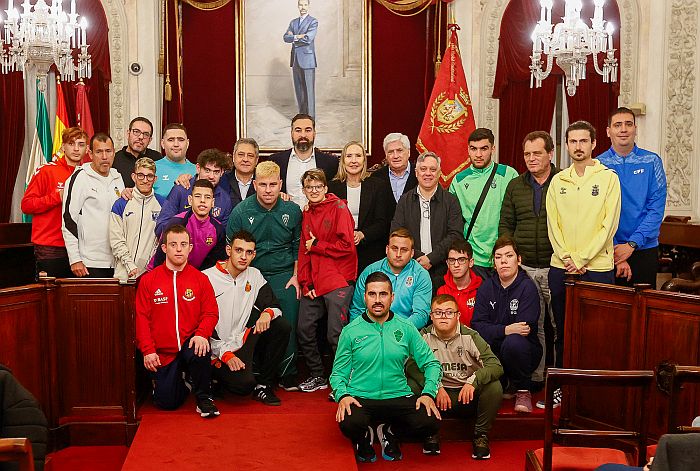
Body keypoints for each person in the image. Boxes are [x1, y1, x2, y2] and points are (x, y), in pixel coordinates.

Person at [330, 271, 442, 463]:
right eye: (372, 294)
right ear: (365, 297)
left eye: (383, 294)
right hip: (361, 396)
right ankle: (363, 437)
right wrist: (343, 395)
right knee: (348, 422)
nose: (377, 300)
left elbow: (432, 363)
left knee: (430, 421)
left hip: (397, 394)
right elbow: (338, 373)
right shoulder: (350, 331)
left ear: (392, 297)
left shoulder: (406, 328)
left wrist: (428, 393)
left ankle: (389, 432)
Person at [547, 121, 621, 373]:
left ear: (594, 144)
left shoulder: (608, 178)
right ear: (566, 145)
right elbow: (553, 225)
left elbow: (609, 225)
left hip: (597, 268)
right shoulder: (558, 181)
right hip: (562, 267)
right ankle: (562, 383)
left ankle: (593, 388)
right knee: (563, 330)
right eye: (573, 141)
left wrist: (581, 259)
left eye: (583, 141)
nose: (578, 146)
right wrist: (567, 258)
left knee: (597, 332)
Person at [226, 161, 303, 391]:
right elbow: (231, 249)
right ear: (254, 184)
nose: (268, 190)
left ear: (280, 184)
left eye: (272, 185)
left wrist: (296, 275)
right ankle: (253, 370)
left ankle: (288, 372)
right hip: (251, 273)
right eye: (262, 185)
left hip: (284, 273)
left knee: (288, 320)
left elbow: (298, 246)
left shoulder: (292, 210)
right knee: (247, 321)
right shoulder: (241, 211)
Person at [135, 224, 220, 417]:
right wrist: (148, 350)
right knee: (166, 403)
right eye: (173, 244)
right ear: (164, 248)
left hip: (190, 341)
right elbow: (141, 318)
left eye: (183, 244)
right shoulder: (149, 280)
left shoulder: (200, 279)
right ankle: (185, 383)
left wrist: (202, 334)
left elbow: (211, 312)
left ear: (190, 248)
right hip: (163, 350)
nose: (179, 249)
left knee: (201, 348)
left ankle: (204, 398)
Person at [406, 294, 503, 460]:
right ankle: (430, 431)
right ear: (431, 316)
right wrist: (435, 386)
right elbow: (410, 365)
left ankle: (480, 435)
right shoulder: (424, 336)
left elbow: (495, 365)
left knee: (494, 387)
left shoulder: (470, 336)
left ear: (458, 315)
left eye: (449, 312)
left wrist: (473, 381)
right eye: (438, 312)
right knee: (410, 384)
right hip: (437, 396)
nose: (443, 316)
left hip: (466, 395)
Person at [203, 230, 292, 406]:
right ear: (228, 250)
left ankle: (263, 385)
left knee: (281, 326)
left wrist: (267, 313)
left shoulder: (254, 275)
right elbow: (201, 324)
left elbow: (274, 305)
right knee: (242, 386)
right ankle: (213, 376)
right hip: (216, 349)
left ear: (254, 255)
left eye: (249, 252)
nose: (243, 257)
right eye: (239, 250)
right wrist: (224, 354)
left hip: (240, 341)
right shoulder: (207, 277)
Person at [499, 131, 560, 385]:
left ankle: (559, 379)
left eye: (537, 153)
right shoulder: (515, 185)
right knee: (533, 327)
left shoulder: (563, 181)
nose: (531, 158)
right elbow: (506, 224)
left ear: (550, 153)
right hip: (524, 269)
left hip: (556, 267)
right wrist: (510, 257)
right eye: (527, 154)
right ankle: (536, 378)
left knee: (559, 327)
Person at [296, 168, 357, 393]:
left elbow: (348, 246)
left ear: (325, 188)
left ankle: (343, 380)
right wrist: (306, 282)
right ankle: (317, 375)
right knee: (303, 328)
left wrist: (318, 245)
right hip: (315, 280)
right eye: (309, 187)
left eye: (318, 187)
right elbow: (304, 251)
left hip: (338, 278)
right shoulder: (307, 212)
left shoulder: (339, 208)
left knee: (335, 334)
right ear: (304, 190)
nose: (314, 191)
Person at [597, 107, 667, 287]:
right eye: (617, 125)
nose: (623, 129)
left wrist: (632, 244)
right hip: (607, 250)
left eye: (628, 124)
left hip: (645, 248)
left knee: (643, 303)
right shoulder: (598, 165)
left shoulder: (652, 161)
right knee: (611, 304)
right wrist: (617, 252)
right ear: (608, 131)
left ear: (635, 129)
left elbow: (656, 209)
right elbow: (596, 213)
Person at [471, 236, 542, 414]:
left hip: (524, 350)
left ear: (519, 260)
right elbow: (477, 325)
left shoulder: (527, 287)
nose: (503, 261)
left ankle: (523, 390)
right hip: (494, 350)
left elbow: (523, 329)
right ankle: (506, 383)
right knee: (480, 344)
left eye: (509, 256)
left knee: (514, 342)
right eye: (498, 257)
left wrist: (496, 330)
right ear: (494, 263)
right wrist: (506, 329)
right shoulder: (486, 287)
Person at [449, 128, 519, 280]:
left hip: (502, 256)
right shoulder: (459, 180)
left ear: (493, 149)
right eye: (474, 149)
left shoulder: (509, 174)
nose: (478, 154)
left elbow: (518, 216)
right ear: (468, 149)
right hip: (473, 258)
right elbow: (453, 222)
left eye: (484, 149)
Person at [391, 151, 463, 292]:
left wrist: (431, 258)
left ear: (439, 173)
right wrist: (419, 257)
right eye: (423, 169)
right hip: (411, 267)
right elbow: (396, 233)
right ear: (416, 173)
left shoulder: (451, 201)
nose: (428, 173)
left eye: (433, 169)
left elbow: (455, 235)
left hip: (443, 270)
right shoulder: (405, 201)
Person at [21, 126, 88, 279]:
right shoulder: (46, 171)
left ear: (87, 149)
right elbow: (26, 205)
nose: (76, 149)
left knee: (75, 292)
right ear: (63, 146)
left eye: (81, 144)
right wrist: (57, 196)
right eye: (71, 143)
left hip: (79, 247)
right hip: (50, 247)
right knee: (51, 292)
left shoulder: (86, 174)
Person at [62, 133, 125, 278]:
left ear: (114, 153)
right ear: (90, 154)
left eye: (108, 151)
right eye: (99, 152)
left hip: (117, 261)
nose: (104, 156)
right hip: (89, 262)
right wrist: (75, 259)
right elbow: (68, 220)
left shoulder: (117, 177)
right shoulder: (80, 178)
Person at [328, 141, 393, 272]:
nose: (353, 161)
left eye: (358, 156)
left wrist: (362, 234)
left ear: (364, 160)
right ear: (343, 160)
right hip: (338, 250)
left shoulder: (378, 186)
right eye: (349, 156)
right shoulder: (331, 187)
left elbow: (382, 223)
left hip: (370, 249)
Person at [349, 228, 432, 328]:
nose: (398, 254)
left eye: (404, 250)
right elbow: (357, 310)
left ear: (412, 253)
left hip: (405, 331)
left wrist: (396, 331)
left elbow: (421, 315)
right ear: (387, 249)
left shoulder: (421, 275)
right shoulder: (370, 271)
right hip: (371, 330)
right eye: (394, 248)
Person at [110, 157, 165, 281]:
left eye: (149, 176)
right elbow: (116, 239)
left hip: (151, 275)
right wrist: (129, 265)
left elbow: (162, 240)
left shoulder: (162, 204)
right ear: (134, 177)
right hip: (124, 274)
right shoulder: (121, 204)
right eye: (141, 175)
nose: (145, 180)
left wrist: (151, 267)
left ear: (155, 179)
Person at [152, 179, 226, 270]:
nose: (202, 200)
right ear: (190, 200)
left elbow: (214, 265)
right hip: (168, 272)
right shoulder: (176, 223)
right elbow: (160, 258)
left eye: (207, 197)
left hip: (199, 275)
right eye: (198, 196)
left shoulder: (218, 229)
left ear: (213, 202)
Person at [156, 148, 233, 234]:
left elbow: (223, 234)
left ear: (222, 172)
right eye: (207, 170)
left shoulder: (225, 199)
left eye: (216, 172)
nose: (211, 176)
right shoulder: (181, 190)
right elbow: (161, 226)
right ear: (198, 168)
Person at [268, 114, 338, 206]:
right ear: (291, 133)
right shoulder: (276, 161)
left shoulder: (330, 162)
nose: (303, 135)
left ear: (314, 133)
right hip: (286, 214)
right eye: (298, 130)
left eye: (308, 130)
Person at [436, 238, 483, 326]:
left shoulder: (482, 290)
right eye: (452, 260)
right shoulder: (441, 291)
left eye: (461, 260)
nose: (456, 265)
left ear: (471, 262)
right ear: (447, 263)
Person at [283, 0, 317, 117]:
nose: (303, 7)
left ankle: (311, 118)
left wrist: (293, 37)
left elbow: (308, 39)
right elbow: (285, 38)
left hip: (308, 60)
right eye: (301, 5)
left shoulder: (313, 21)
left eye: (305, 5)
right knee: (299, 90)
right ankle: (302, 116)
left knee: (309, 91)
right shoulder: (293, 22)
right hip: (295, 60)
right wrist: (298, 36)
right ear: (298, 6)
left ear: (308, 6)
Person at [370, 133, 418, 209]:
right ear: (386, 155)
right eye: (391, 152)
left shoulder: (420, 174)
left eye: (399, 150)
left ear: (409, 152)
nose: (395, 156)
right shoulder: (376, 177)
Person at [112, 117, 162, 187]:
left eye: (146, 134)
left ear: (150, 140)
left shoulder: (157, 158)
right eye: (136, 132)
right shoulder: (114, 160)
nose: (141, 137)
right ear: (128, 134)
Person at [152, 123, 196, 198]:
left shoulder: (197, 171)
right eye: (171, 140)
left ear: (187, 143)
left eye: (181, 140)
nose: (176, 144)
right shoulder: (151, 169)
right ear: (162, 143)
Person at [226, 137, 259, 208]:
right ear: (233, 157)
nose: (245, 159)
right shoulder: (222, 180)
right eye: (241, 155)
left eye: (250, 156)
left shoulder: (263, 182)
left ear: (256, 160)